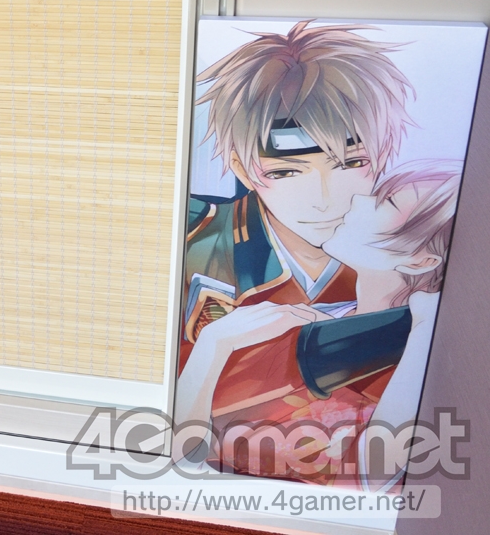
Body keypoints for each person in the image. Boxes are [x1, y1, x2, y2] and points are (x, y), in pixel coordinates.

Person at [175, 162, 458, 488]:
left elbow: (370, 479)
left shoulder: (410, 368)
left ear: (421, 261)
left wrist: (424, 328)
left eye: (387, 202)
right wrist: (213, 342)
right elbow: (175, 450)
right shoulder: (297, 316)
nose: (357, 199)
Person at [181, 21, 414, 372]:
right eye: (285, 172)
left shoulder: (416, 251)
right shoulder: (191, 233)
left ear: (382, 156)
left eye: (350, 164)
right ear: (242, 170)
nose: (323, 199)